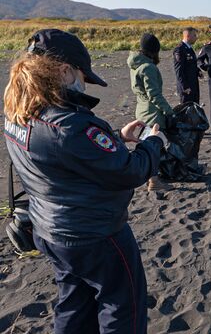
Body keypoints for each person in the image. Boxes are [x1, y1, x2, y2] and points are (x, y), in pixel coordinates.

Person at [3, 28, 168, 333]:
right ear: (65, 71)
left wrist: (117, 137)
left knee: (74, 303)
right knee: (123, 308)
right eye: (82, 75)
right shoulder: (71, 124)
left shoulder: (18, 113)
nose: (84, 83)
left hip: (49, 230)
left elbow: (56, 158)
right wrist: (152, 144)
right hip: (94, 235)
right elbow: (129, 172)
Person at [128, 33, 174, 190]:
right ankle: (154, 181)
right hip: (152, 112)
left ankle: (151, 177)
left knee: (146, 144)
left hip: (141, 109)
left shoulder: (135, 66)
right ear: (155, 51)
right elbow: (154, 95)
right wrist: (169, 111)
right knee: (153, 145)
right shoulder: (148, 67)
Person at [173, 27, 201, 104]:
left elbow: (191, 65)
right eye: (194, 35)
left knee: (194, 110)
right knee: (186, 111)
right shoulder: (179, 49)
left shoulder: (189, 49)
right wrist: (184, 86)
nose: (196, 37)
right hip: (186, 88)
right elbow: (179, 70)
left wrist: (198, 72)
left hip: (194, 85)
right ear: (188, 36)